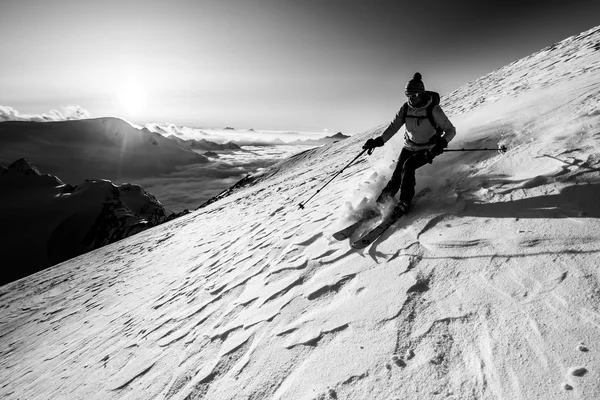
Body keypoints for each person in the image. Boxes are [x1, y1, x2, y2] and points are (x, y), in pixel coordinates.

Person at [362, 72, 456, 213]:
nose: (411, 99)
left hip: (428, 148)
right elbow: (393, 127)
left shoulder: (433, 109)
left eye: (415, 96)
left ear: (421, 94)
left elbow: (450, 130)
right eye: (409, 96)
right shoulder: (406, 108)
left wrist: (441, 143)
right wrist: (379, 141)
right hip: (409, 146)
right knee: (396, 176)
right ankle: (381, 203)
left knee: (409, 166)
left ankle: (404, 202)